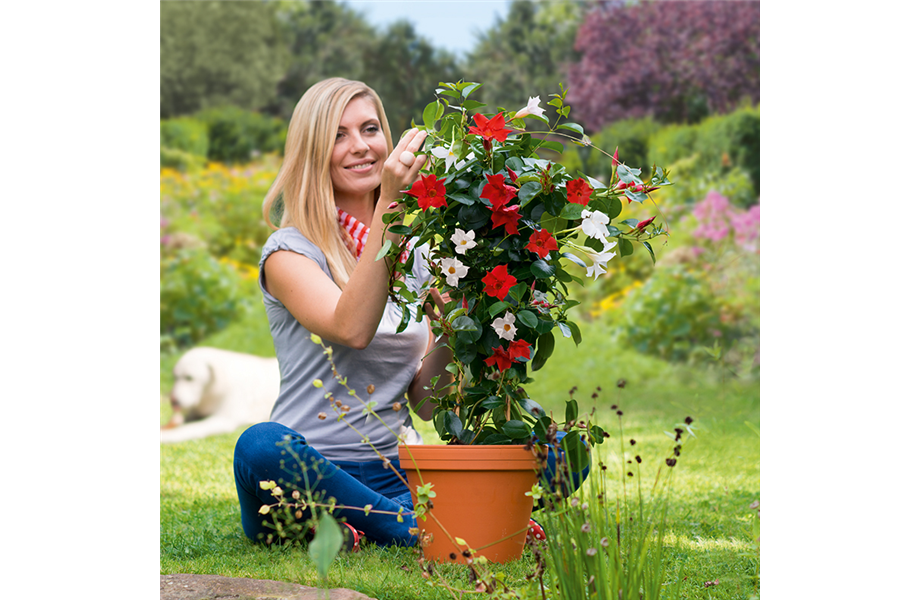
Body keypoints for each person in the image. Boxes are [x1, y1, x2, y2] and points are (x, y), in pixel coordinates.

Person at [233, 78, 453, 549]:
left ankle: (365, 526)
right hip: (304, 473)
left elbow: (428, 404)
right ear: (313, 150)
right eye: (338, 135)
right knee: (259, 444)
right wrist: (392, 210)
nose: (361, 147)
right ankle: (424, 527)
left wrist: (461, 325)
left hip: (395, 471)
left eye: (370, 129)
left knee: (557, 445)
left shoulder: (413, 254)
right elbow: (351, 328)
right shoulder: (289, 253)